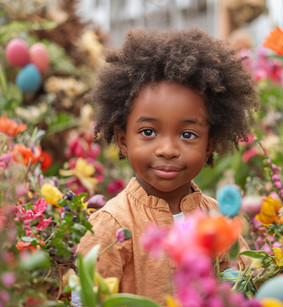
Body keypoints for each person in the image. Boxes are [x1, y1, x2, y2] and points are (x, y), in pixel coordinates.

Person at [76, 27, 258, 305]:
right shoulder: (112, 225)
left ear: (209, 145)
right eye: (148, 132)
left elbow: (246, 283)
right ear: (123, 141)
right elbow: (83, 298)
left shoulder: (216, 219)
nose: (168, 150)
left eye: (187, 135)